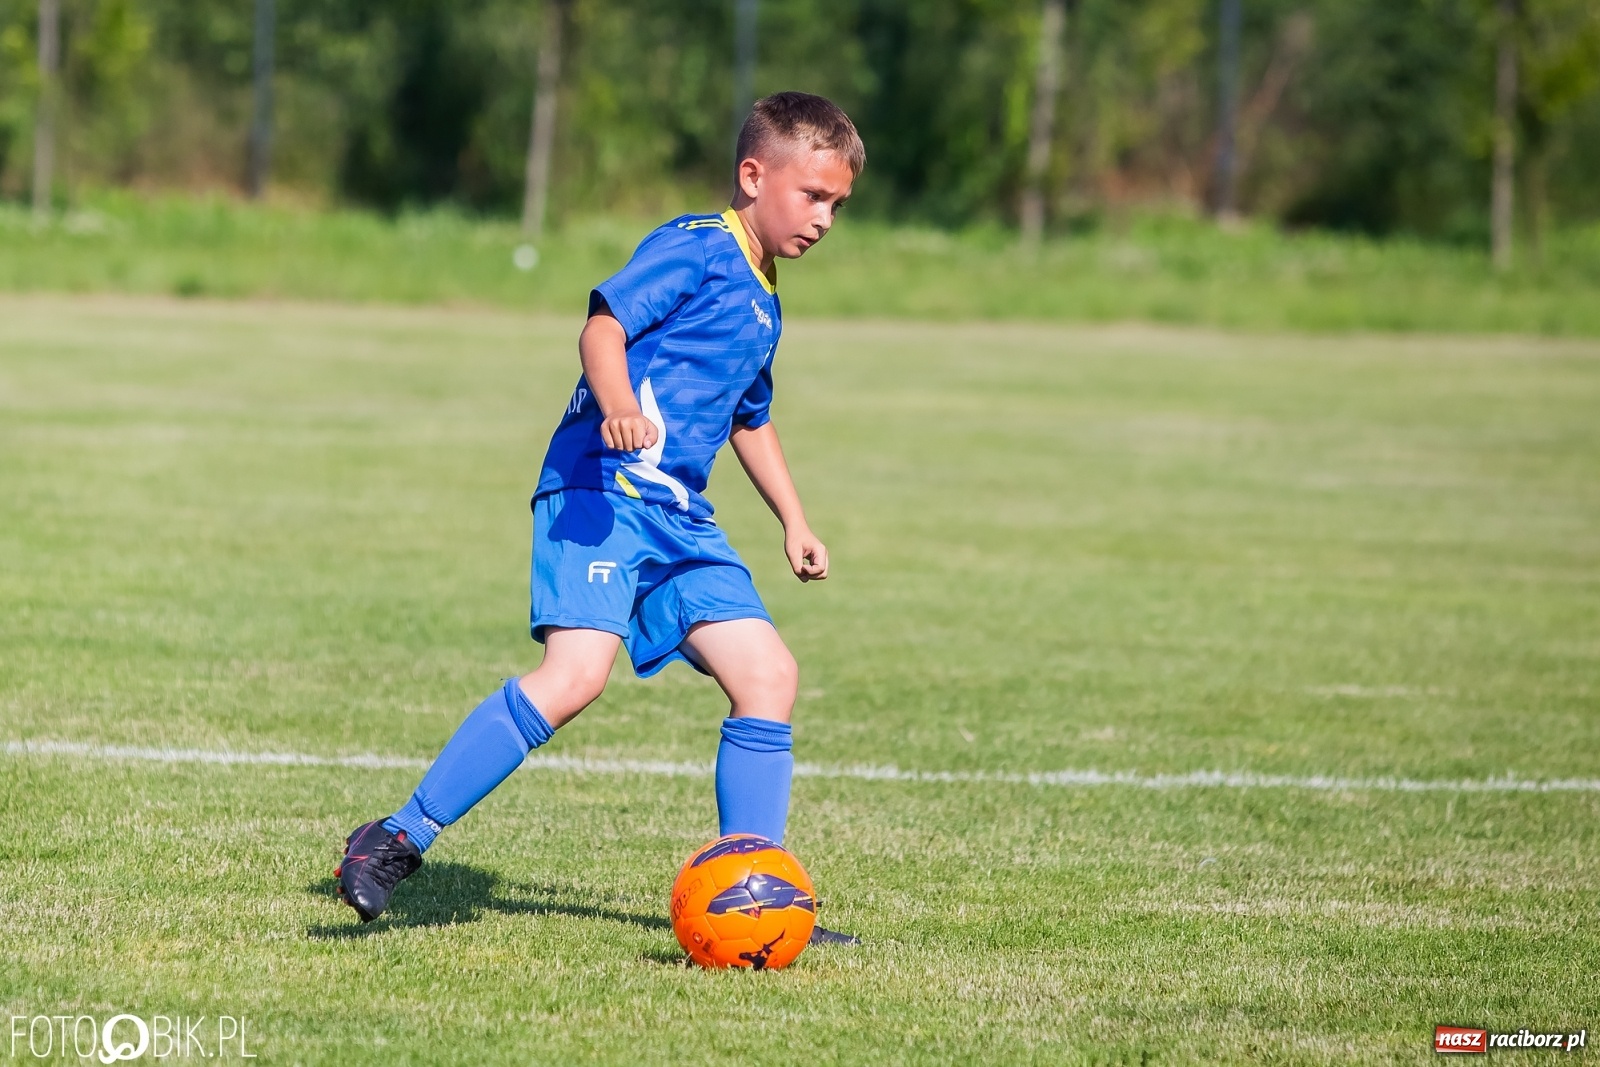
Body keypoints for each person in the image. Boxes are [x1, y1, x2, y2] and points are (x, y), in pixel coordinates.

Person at [335, 92, 864, 946]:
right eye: (813, 196)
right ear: (753, 174)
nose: (826, 218)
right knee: (576, 676)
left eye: (838, 204)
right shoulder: (695, 248)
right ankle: (394, 838)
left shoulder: (767, 299)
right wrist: (617, 406)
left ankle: (757, 895)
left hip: (679, 516)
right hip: (601, 491)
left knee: (769, 674)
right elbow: (604, 325)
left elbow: (747, 417)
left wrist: (793, 519)